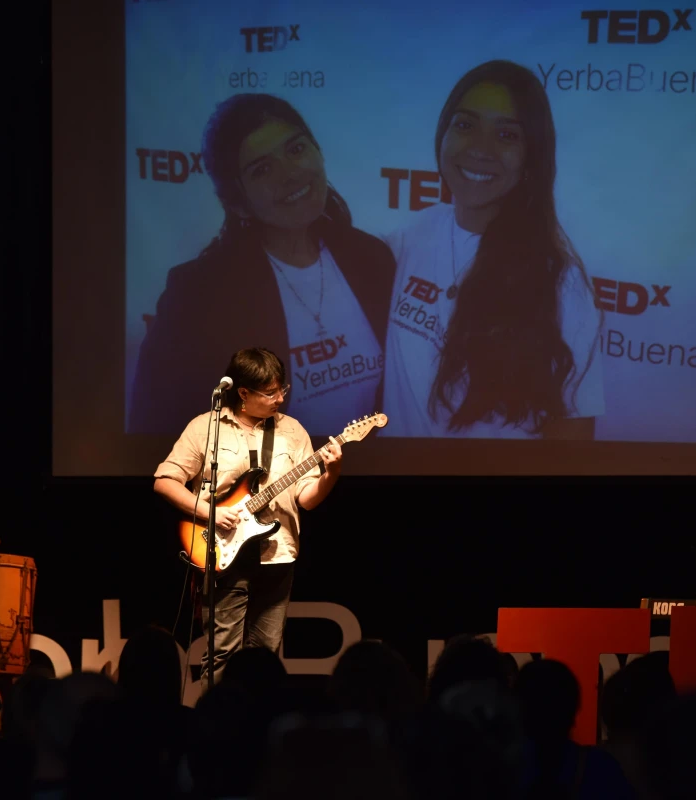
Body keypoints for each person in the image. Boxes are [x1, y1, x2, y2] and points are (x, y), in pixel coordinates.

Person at [129, 94, 396, 439]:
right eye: (263, 169)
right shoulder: (196, 296)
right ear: (236, 202)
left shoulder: (372, 257)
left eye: (297, 149)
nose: (291, 175)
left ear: (319, 152)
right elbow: (154, 432)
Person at [381, 60, 604, 439]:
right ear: (443, 134)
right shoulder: (410, 236)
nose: (481, 149)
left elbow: (572, 439)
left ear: (531, 157)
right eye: (465, 125)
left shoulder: (560, 283)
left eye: (506, 135)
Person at [152, 347, 342, 682]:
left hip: (277, 555)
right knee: (222, 652)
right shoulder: (205, 427)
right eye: (270, 393)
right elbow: (165, 481)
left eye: (282, 389)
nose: (280, 399)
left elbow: (307, 499)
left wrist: (331, 473)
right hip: (221, 551)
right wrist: (210, 512)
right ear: (243, 393)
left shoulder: (292, 431)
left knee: (266, 655)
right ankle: (216, 725)